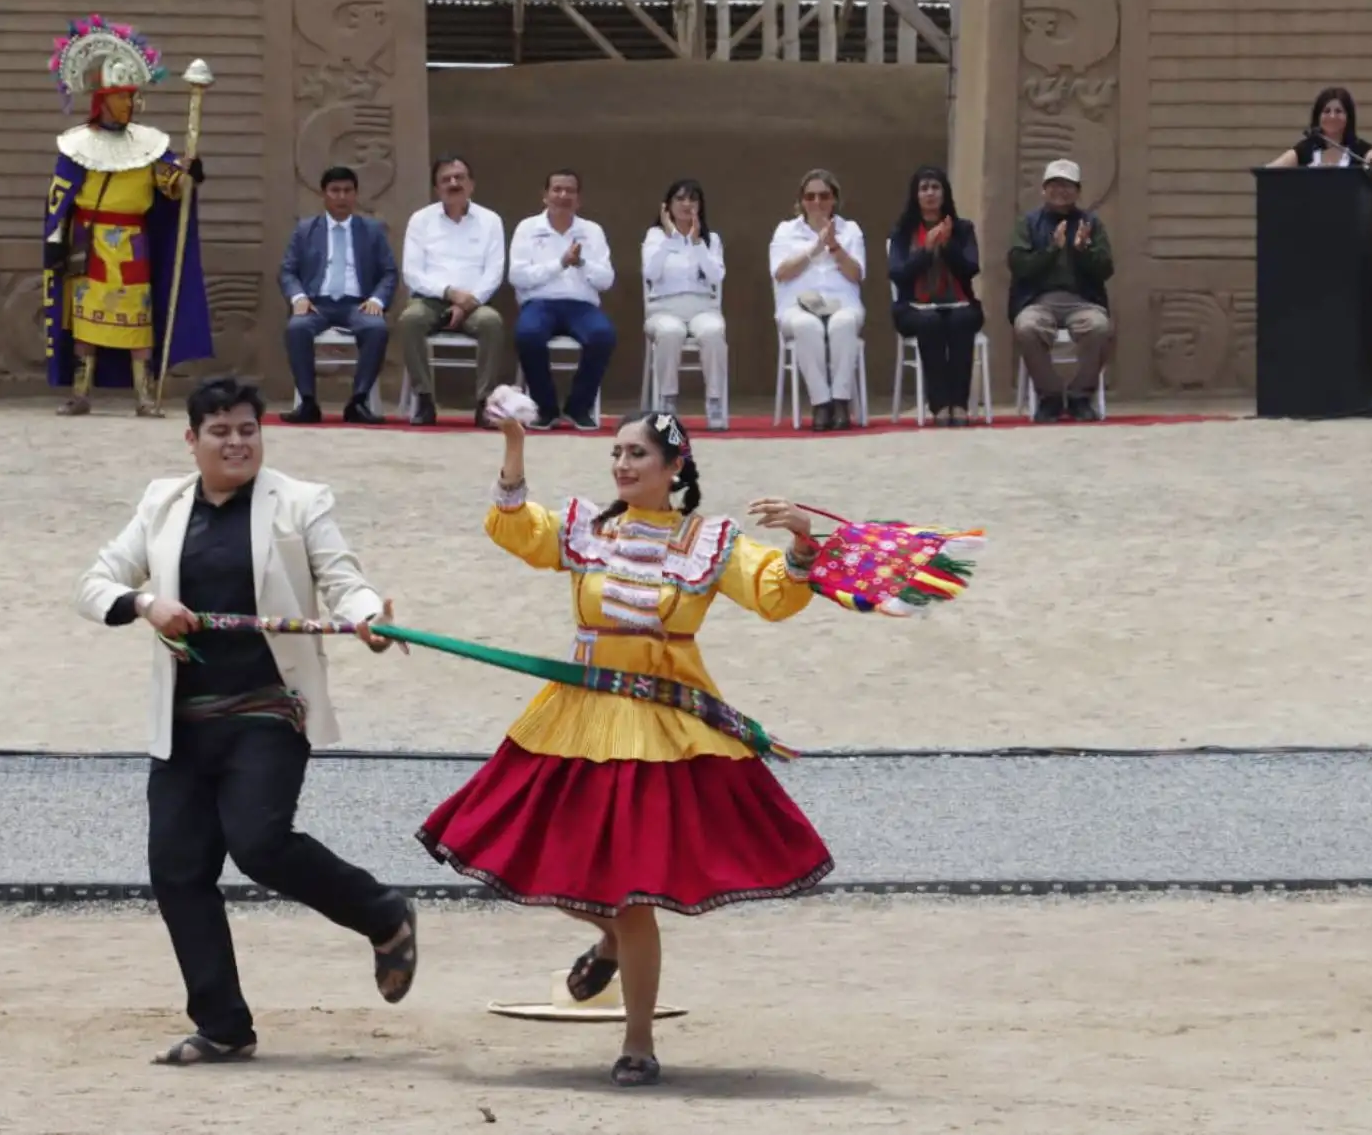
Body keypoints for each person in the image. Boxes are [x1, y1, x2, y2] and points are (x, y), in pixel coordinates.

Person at [417, 407, 836, 1087]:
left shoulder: (709, 541)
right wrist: (515, 446)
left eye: (638, 454)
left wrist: (801, 544)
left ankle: (637, 1040)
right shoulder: (588, 527)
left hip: (664, 724)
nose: (622, 464)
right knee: (532, 845)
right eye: (616, 451)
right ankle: (610, 937)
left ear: (674, 468)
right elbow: (519, 531)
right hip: (577, 719)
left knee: (635, 887)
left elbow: (775, 595)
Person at [72, 372, 420, 1067]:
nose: (236, 442)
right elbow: (95, 583)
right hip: (185, 718)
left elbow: (344, 581)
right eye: (220, 431)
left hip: (267, 707)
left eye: (247, 429)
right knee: (176, 869)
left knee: (258, 843)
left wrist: (369, 619)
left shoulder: (300, 502)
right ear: (192, 439)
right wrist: (146, 605)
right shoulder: (161, 504)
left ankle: (383, 913)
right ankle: (224, 1026)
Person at [43, 13, 213, 418]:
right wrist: (55, 242)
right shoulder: (76, 146)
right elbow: (58, 200)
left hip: (132, 244)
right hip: (88, 242)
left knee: (137, 320)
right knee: (84, 323)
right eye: (123, 96)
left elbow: (170, 184)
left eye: (133, 96)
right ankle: (80, 393)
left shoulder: (150, 146)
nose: (131, 103)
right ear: (103, 99)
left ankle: (144, 395)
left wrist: (188, 174)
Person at [279, 165, 399, 425]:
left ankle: (358, 401)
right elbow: (288, 271)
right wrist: (299, 298)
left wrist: (377, 300)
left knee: (376, 328)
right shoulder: (305, 229)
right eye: (335, 191)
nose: (342, 197)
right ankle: (308, 402)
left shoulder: (372, 230)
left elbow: (389, 272)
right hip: (316, 305)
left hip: (358, 305)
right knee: (296, 328)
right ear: (324, 194)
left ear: (355, 195)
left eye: (347, 190)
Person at [396, 153, 508, 428]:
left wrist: (466, 302)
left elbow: (494, 271)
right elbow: (412, 273)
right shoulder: (421, 220)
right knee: (410, 320)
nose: (453, 183)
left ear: (472, 185)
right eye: (446, 179)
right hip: (431, 299)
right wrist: (449, 294)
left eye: (460, 177)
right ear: (437, 188)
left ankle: (485, 403)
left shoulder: (490, 220)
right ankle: (423, 397)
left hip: (474, 303)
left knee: (492, 322)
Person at [508, 168, 616, 430]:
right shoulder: (528, 228)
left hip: (582, 305)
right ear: (545, 196)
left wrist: (580, 263)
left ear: (579, 199)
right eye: (557, 189)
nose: (563, 195)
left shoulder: (592, 231)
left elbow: (606, 280)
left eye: (570, 190)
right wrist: (560, 263)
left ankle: (578, 408)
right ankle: (545, 409)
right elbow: (517, 276)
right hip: (539, 303)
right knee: (528, 335)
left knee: (603, 335)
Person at [1007, 158, 1113, 423]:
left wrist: (1083, 251)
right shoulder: (1029, 223)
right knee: (1026, 328)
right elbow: (1018, 265)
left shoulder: (1091, 224)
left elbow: (1106, 269)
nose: (1060, 191)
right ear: (1044, 190)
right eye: (1054, 185)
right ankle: (1050, 396)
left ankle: (1079, 396)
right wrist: (1052, 250)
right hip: (1038, 301)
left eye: (1067, 186)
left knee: (1100, 328)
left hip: (1082, 302)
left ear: (1077, 192)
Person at [768, 168, 865, 432]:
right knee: (806, 326)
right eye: (810, 197)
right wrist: (815, 248)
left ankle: (841, 401)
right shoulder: (786, 231)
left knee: (843, 324)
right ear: (801, 201)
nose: (817, 202)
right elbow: (781, 272)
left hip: (842, 303)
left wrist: (834, 246)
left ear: (834, 199)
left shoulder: (850, 230)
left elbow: (856, 274)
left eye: (824, 195)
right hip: (797, 306)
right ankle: (821, 403)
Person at [887, 166, 983, 427]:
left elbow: (971, 268)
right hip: (913, 308)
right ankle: (940, 405)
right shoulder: (902, 233)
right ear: (916, 195)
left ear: (944, 193)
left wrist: (948, 246)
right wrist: (926, 251)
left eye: (935, 187)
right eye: (924, 188)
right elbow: (898, 274)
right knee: (931, 323)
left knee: (960, 321)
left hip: (959, 302)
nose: (930, 193)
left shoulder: (962, 229)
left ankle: (959, 405)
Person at [641, 178, 728, 430]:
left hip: (703, 307)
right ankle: (667, 402)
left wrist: (698, 242)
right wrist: (670, 239)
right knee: (671, 332)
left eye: (692, 199)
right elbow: (651, 274)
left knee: (713, 333)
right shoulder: (655, 236)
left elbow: (716, 276)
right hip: (663, 309)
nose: (686, 204)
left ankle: (714, 401)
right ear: (667, 206)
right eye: (679, 198)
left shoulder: (711, 239)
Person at [1265, 87, 1372, 174]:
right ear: (1318, 117)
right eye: (1326, 111)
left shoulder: (1359, 150)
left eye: (1338, 111)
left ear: (1348, 117)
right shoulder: (1305, 149)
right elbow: (1269, 172)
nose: (1332, 116)